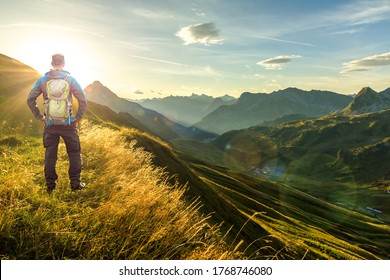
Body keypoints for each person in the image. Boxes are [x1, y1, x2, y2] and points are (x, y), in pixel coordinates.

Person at [27, 53, 87, 194]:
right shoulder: (70, 79)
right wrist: (77, 117)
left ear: (52, 63)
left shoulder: (43, 80)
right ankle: (75, 184)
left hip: (50, 124)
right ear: (63, 63)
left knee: (50, 155)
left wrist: (39, 116)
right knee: (74, 153)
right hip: (68, 124)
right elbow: (83, 100)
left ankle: (50, 186)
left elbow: (30, 99)